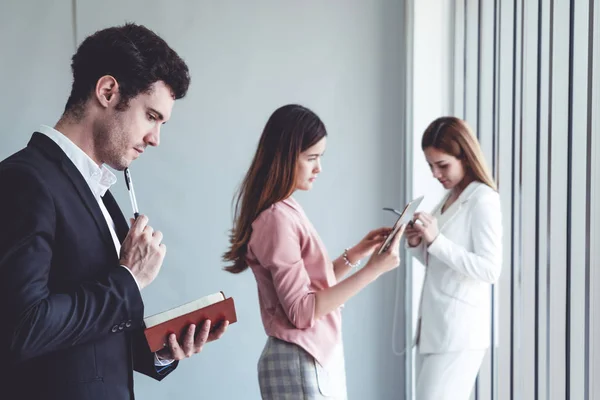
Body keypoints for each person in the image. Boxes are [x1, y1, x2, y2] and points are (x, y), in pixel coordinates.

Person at [0, 23, 227, 400]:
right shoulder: (24, 180)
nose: (156, 138)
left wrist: (158, 349)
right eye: (152, 117)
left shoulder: (101, 194)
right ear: (108, 91)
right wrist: (128, 279)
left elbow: (88, 340)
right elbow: (21, 328)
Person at [223, 104, 404, 399]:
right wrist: (374, 269)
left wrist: (357, 254)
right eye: (312, 158)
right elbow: (302, 310)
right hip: (299, 358)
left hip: (308, 355)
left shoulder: (285, 209)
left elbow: (308, 286)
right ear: (284, 159)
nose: (319, 168)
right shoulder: (276, 219)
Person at [405, 116, 503, 400]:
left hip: (459, 333)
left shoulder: (483, 199)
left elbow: (489, 269)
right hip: (434, 328)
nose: (436, 174)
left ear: (466, 157)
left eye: (442, 165)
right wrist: (417, 244)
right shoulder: (449, 198)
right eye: (431, 166)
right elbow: (441, 264)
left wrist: (436, 240)